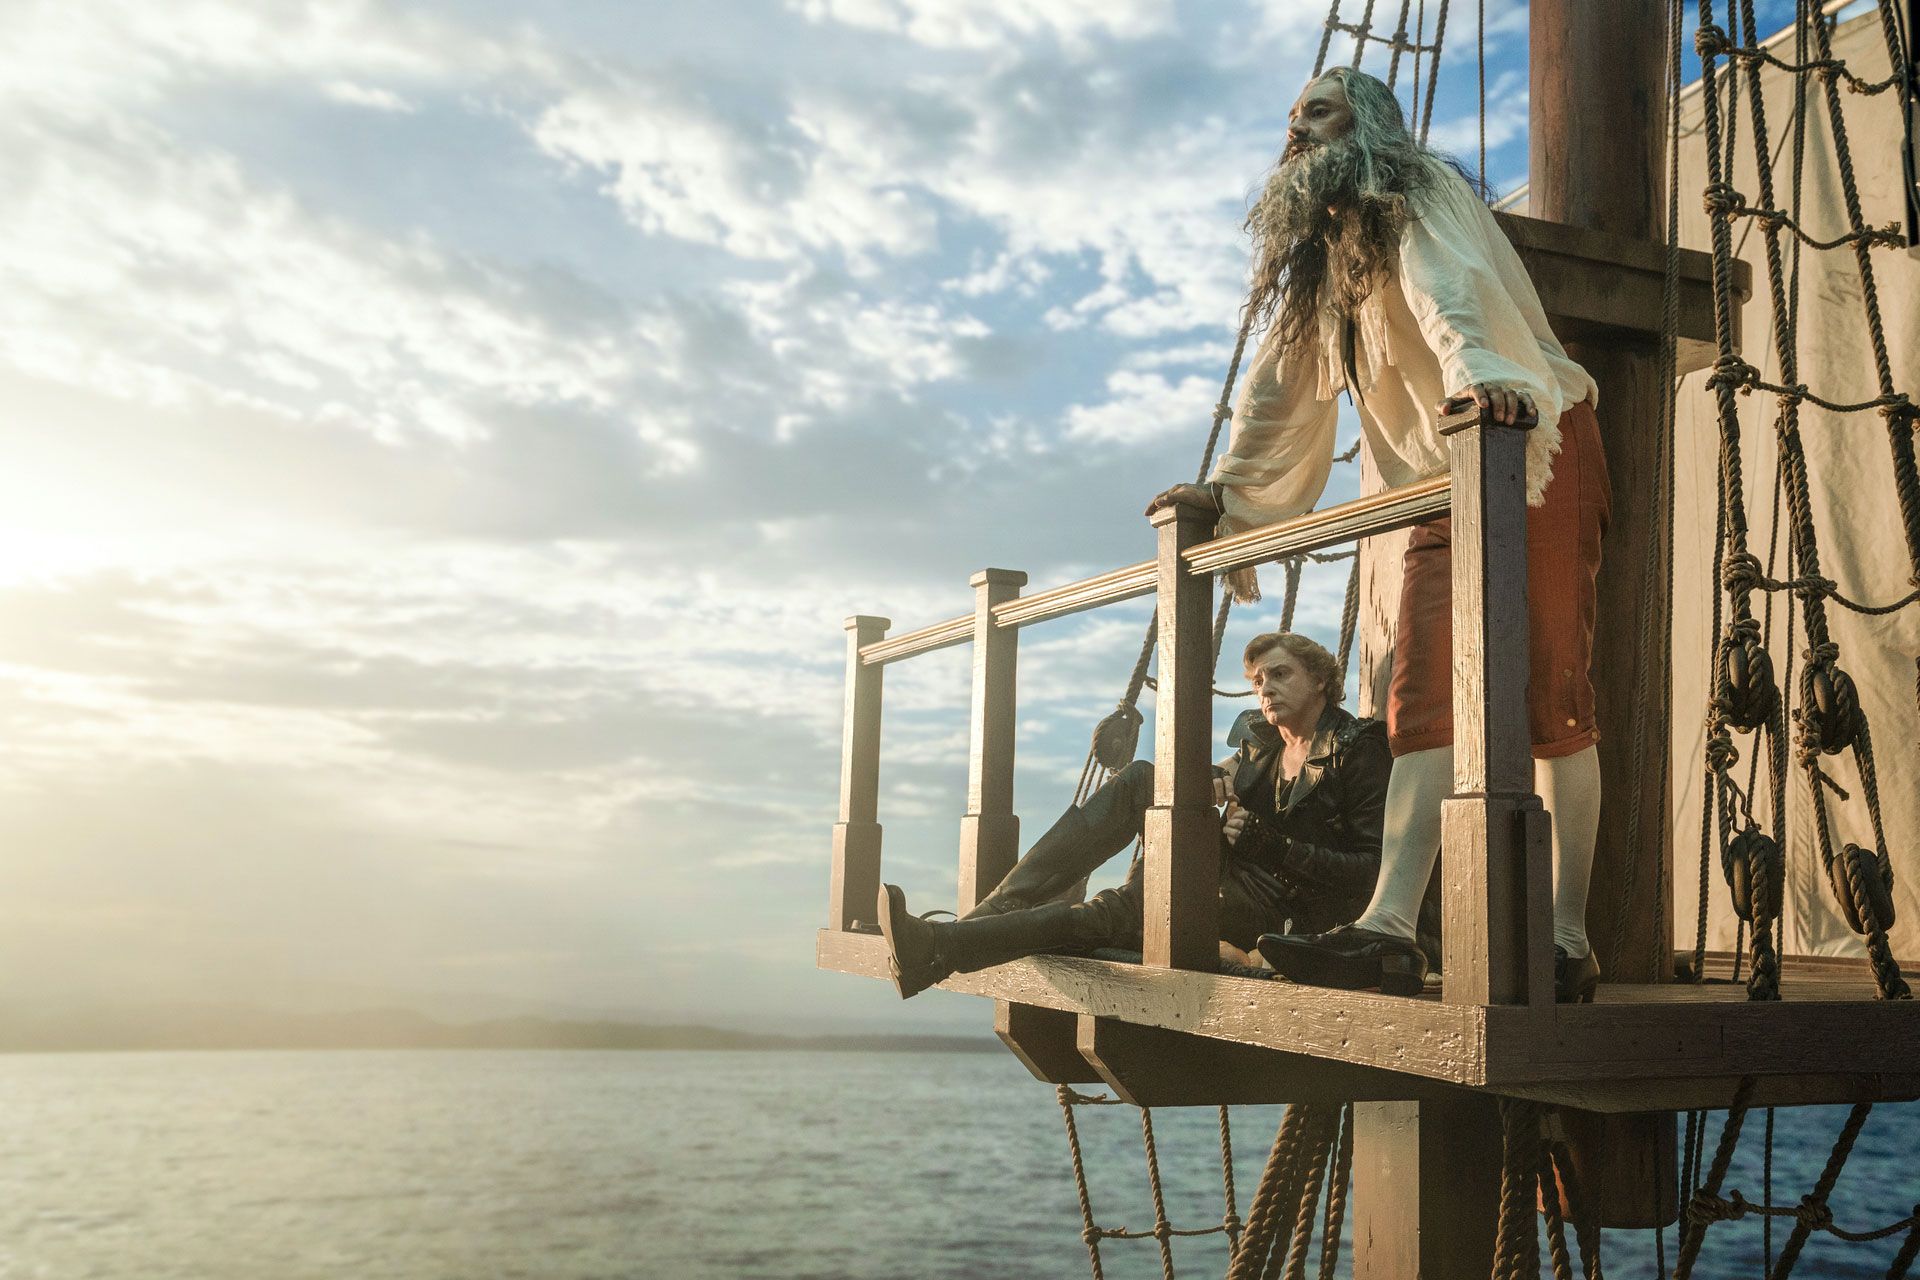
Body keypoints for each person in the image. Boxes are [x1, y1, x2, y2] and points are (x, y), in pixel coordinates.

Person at [1148, 67, 1610, 1004]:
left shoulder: (1417, 193)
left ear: (1368, 125)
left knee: (1553, 694)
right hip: (1440, 477)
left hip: (1532, 438)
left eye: (1318, 111)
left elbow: (1456, 291)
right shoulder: (1324, 263)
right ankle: (1389, 929)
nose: (1298, 131)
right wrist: (1234, 505)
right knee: (1418, 701)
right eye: (1291, 119)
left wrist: (1483, 378)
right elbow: (1279, 388)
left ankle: (1568, 937)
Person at [876, 632, 1399, 999]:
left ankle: (943, 947)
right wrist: (1204, 781)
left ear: (1322, 680)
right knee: (1150, 778)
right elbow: (1219, 773)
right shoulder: (1260, 743)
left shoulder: (1357, 748)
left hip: (1288, 914)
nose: (1265, 689)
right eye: (1259, 679)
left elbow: (1373, 872)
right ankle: (987, 917)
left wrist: (1273, 847)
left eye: (1281, 674)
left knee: (1118, 913)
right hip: (1231, 879)